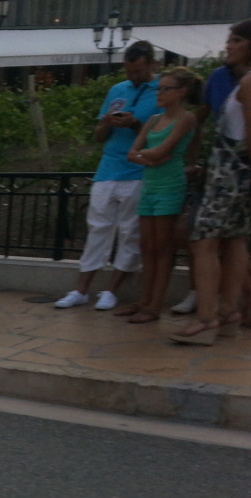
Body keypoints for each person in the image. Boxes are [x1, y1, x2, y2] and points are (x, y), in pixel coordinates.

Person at [51, 41, 157, 311]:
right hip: (108, 169)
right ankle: (81, 289)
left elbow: (162, 133)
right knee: (98, 228)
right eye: (129, 71)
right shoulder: (117, 90)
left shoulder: (161, 90)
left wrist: (134, 123)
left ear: (151, 65)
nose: (133, 77)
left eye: (138, 71)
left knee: (129, 232)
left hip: (138, 170)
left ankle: (112, 290)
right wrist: (108, 122)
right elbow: (99, 135)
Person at [171, 20, 251, 344]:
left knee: (202, 241)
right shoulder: (239, 81)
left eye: (236, 40)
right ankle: (229, 313)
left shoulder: (247, 84)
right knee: (234, 240)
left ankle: (206, 318)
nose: (228, 45)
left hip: (231, 173)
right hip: (236, 174)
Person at [122, 67, 199, 325]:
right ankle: (143, 300)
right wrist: (149, 158)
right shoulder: (154, 120)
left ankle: (155, 305)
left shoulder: (186, 118)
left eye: (166, 89)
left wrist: (148, 156)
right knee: (147, 246)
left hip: (170, 185)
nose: (160, 93)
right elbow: (133, 153)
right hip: (150, 185)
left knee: (162, 247)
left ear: (181, 92)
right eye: (160, 88)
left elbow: (162, 151)